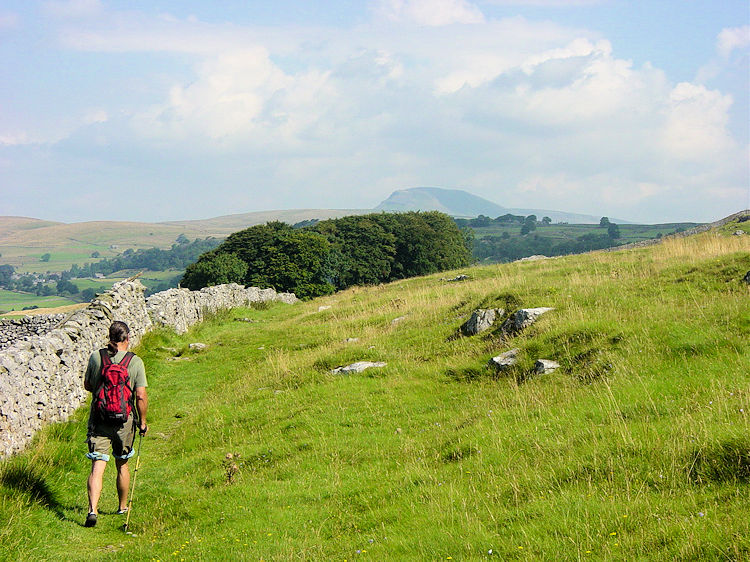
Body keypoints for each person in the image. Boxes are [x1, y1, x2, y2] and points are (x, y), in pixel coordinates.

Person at [83, 320, 148, 528]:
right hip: (125, 421)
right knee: (122, 463)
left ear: (110, 337)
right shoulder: (135, 362)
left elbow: (88, 385)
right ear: (127, 338)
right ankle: (122, 507)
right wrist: (143, 422)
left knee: (97, 465)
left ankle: (93, 509)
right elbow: (140, 395)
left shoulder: (96, 357)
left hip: (100, 418)